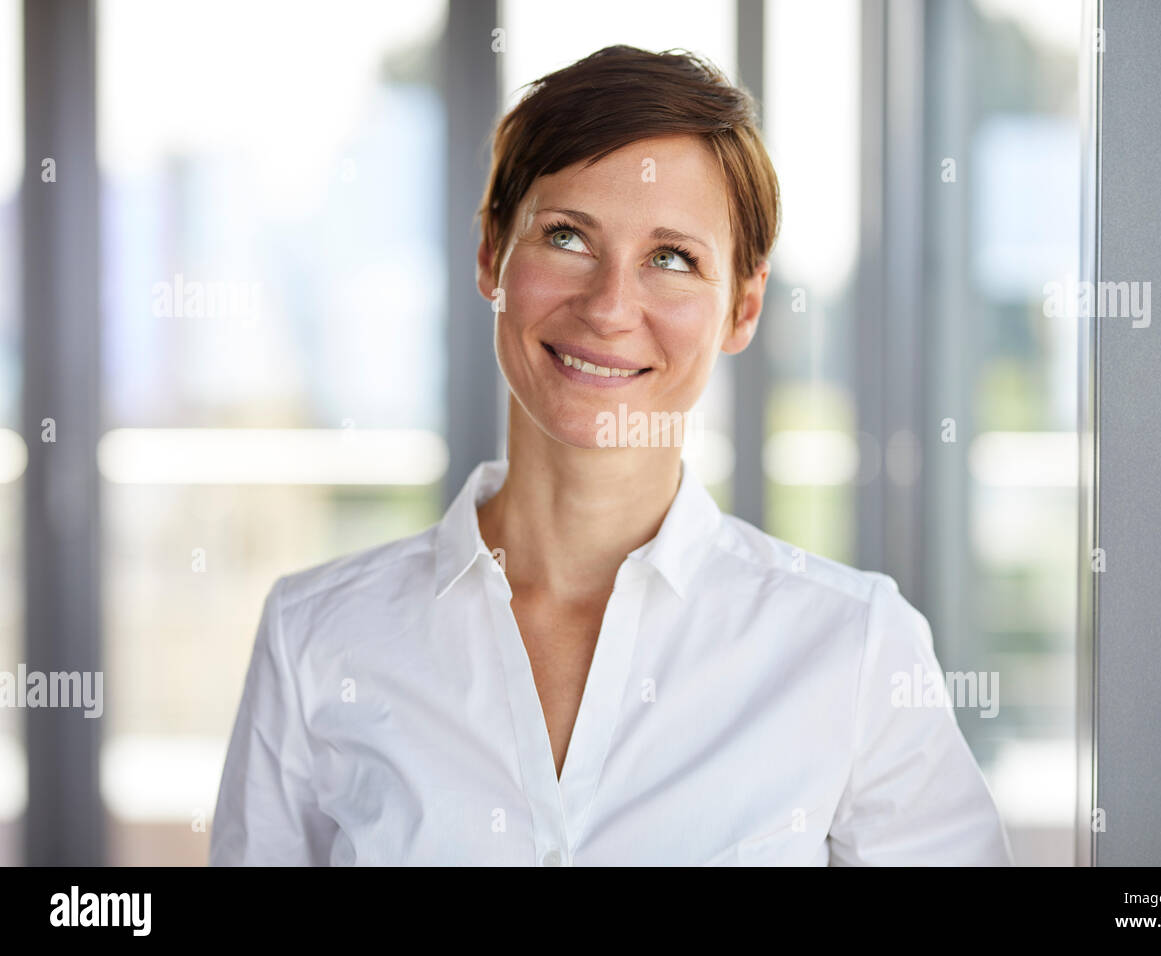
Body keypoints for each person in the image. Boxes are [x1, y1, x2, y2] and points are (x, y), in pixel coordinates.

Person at [210, 45, 1013, 866]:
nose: (609, 307)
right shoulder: (316, 637)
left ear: (743, 306)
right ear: (492, 253)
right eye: (566, 236)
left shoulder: (853, 646)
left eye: (673, 259)